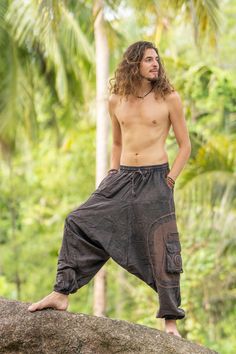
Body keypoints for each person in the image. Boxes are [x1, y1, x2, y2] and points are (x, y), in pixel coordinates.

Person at [28, 41, 191, 338]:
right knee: (78, 221)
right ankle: (61, 292)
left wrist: (170, 180)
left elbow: (185, 146)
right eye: (148, 60)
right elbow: (116, 142)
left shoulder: (169, 98)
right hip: (122, 176)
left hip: (157, 179)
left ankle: (170, 322)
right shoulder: (116, 100)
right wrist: (112, 173)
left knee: (162, 246)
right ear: (133, 64)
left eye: (156, 59)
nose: (155, 64)